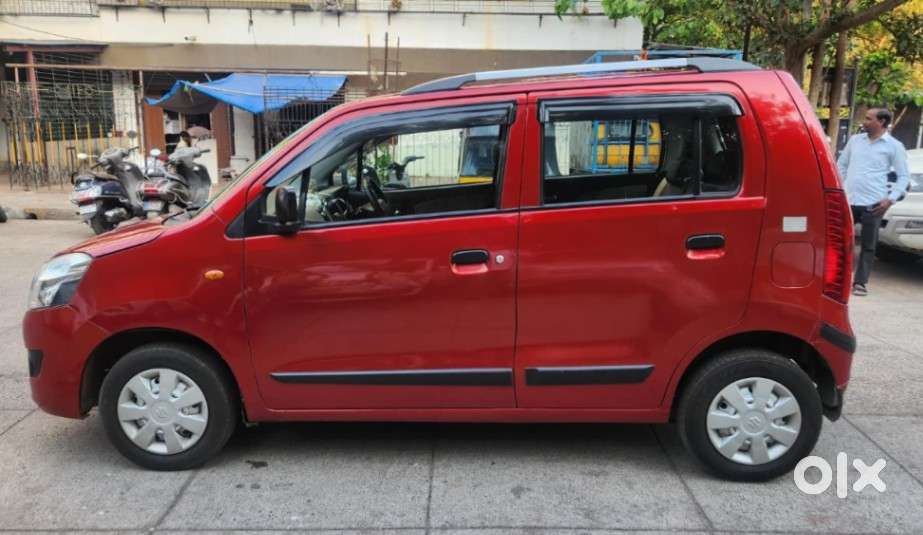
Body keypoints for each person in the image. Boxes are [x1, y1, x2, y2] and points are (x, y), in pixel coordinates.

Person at [837, 107, 910, 296]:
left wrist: (890, 200)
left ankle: (860, 283)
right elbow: (841, 166)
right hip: (849, 201)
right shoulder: (855, 141)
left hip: (874, 204)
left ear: (882, 123)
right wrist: (840, 190)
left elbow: (903, 177)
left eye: (869, 119)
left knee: (869, 246)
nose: (864, 121)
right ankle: (837, 279)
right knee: (839, 241)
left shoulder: (894, 146)